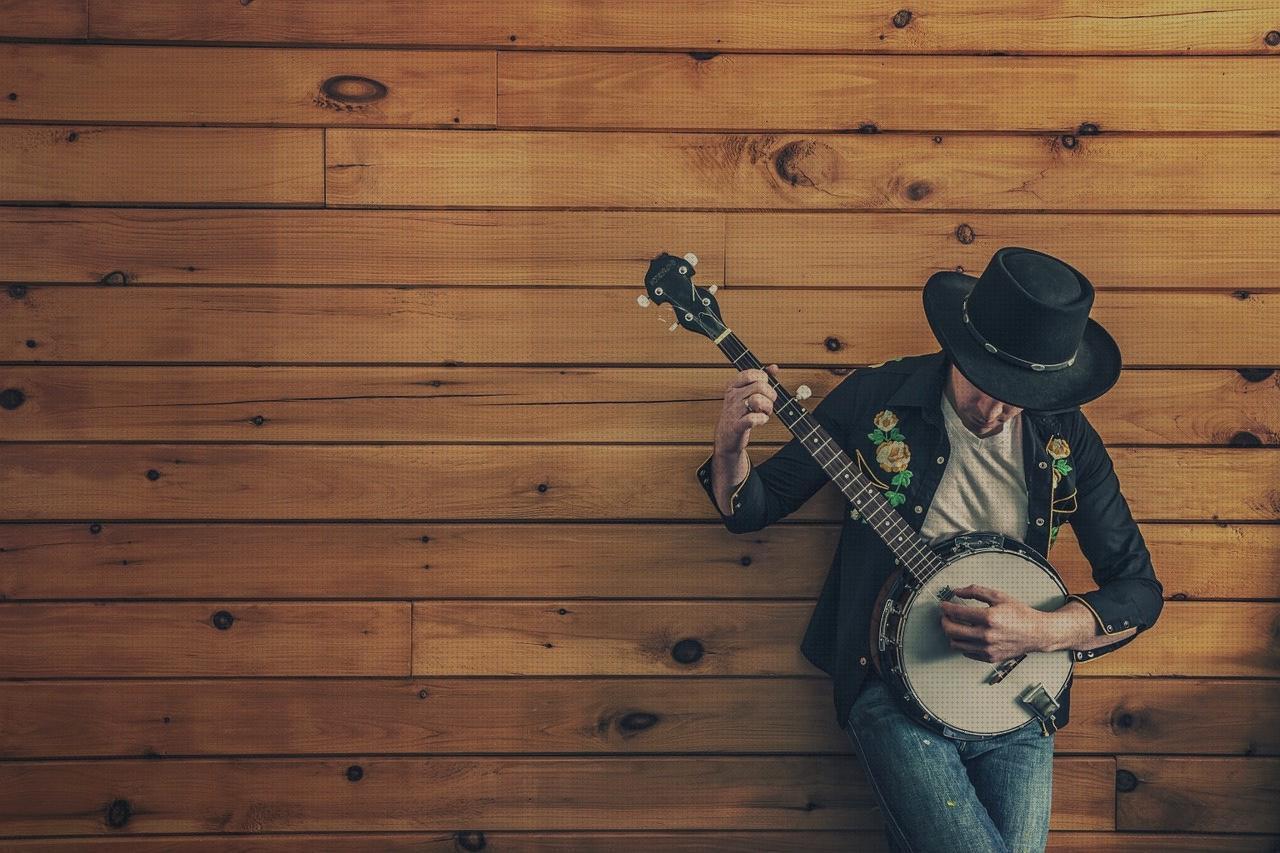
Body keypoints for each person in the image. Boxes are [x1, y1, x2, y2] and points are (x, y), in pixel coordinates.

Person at [694, 247, 1164, 853]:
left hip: (1016, 701)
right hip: (889, 686)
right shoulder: (875, 399)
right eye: (988, 386)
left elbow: (1138, 590)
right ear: (959, 350)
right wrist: (731, 441)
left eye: (1020, 394)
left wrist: (1041, 632)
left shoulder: (1065, 434)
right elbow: (752, 510)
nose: (997, 410)